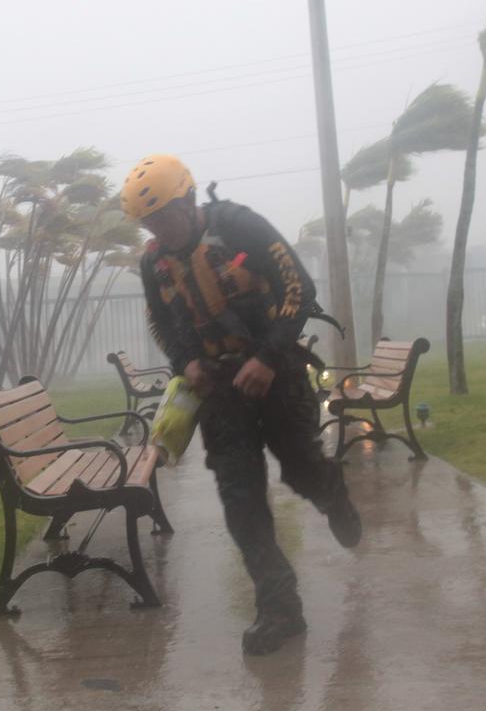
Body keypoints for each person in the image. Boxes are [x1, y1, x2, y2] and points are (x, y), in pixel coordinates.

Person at [122, 154, 361, 656]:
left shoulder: (239, 226)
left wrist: (269, 357)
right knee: (240, 500)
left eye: (165, 216)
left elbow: (299, 287)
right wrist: (186, 361)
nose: (159, 230)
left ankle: (331, 490)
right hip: (217, 390)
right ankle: (279, 609)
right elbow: (162, 323)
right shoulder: (153, 263)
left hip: (278, 371)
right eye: (149, 223)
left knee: (299, 470)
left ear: (189, 201)